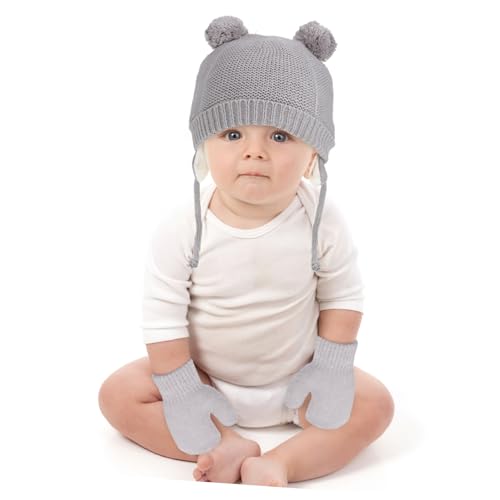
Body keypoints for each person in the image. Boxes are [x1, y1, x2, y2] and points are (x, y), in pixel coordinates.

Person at [98, 16, 395, 487]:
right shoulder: (185, 226)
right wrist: (181, 389)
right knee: (118, 395)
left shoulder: (320, 218)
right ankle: (223, 443)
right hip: (205, 381)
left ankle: (283, 463)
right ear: (205, 144)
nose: (254, 152)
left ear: (313, 154)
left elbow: (343, 294)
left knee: (376, 405)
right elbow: (162, 315)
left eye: (280, 136)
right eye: (233, 135)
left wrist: (332, 367)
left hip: (300, 380)